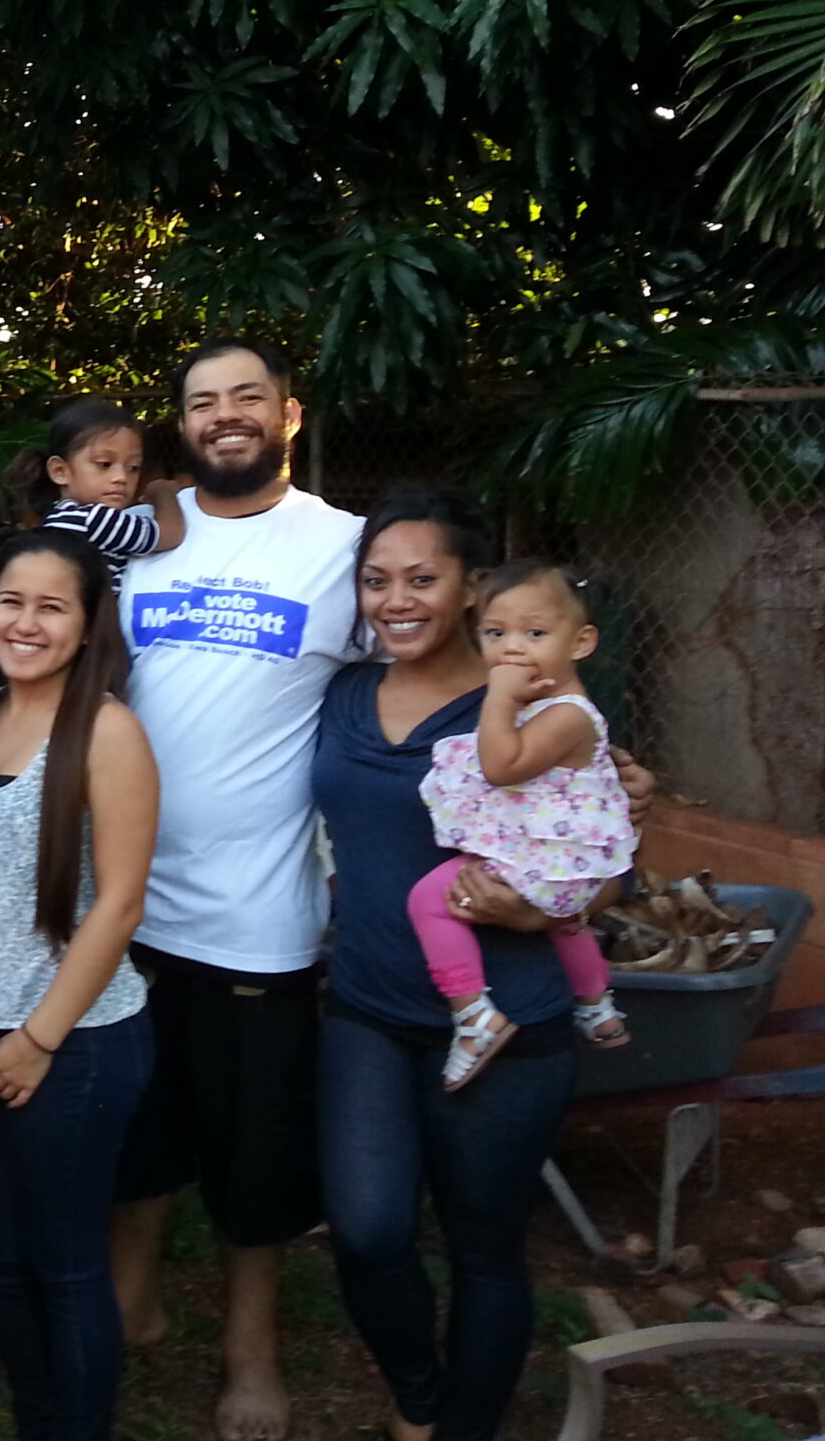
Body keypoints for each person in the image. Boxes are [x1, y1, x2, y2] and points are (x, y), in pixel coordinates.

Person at [315, 491, 650, 1441]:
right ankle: (419, 1398)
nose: (398, 599)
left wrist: (570, 902)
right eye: (378, 581)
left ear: (469, 588)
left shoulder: (535, 700)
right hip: (371, 1007)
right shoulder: (340, 694)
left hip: (517, 1014)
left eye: (424, 578)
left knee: (485, 1246)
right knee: (369, 1229)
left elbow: (606, 862)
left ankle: (464, 1426)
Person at [107, 339, 367, 1441]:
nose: (223, 417)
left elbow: (432, 673)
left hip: (258, 916)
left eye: (245, 399)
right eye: (202, 402)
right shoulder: (141, 536)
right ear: (182, 424)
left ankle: (248, 1344)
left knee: (253, 1148)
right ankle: (129, 1299)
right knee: (134, 1125)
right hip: (119, 902)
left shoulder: (346, 549)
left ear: (288, 416)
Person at [0, 529, 159, 1441]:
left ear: (87, 622)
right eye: (10, 602)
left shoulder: (107, 730)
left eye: (50, 606)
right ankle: (38, 1418)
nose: (24, 623)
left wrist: (38, 1039)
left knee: (65, 1264)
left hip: (82, 1043)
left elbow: (120, 907)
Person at [414, 560, 637, 1087]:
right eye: (495, 633)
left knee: (427, 902)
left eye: (534, 633)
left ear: (580, 643)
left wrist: (497, 696)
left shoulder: (567, 714)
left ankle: (474, 1016)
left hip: (547, 865)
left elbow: (500, 766)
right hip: (565, 864)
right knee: (567, 922)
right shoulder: (543, 706)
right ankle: (595, 1005)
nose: (512, 648)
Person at [2, 397, 184, 577]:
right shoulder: (95, 520)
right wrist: (164, 494)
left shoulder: (59, 515)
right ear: (60, 471)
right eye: (104, 464)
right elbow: (170, 535)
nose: (121, 477)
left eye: (133, 468)